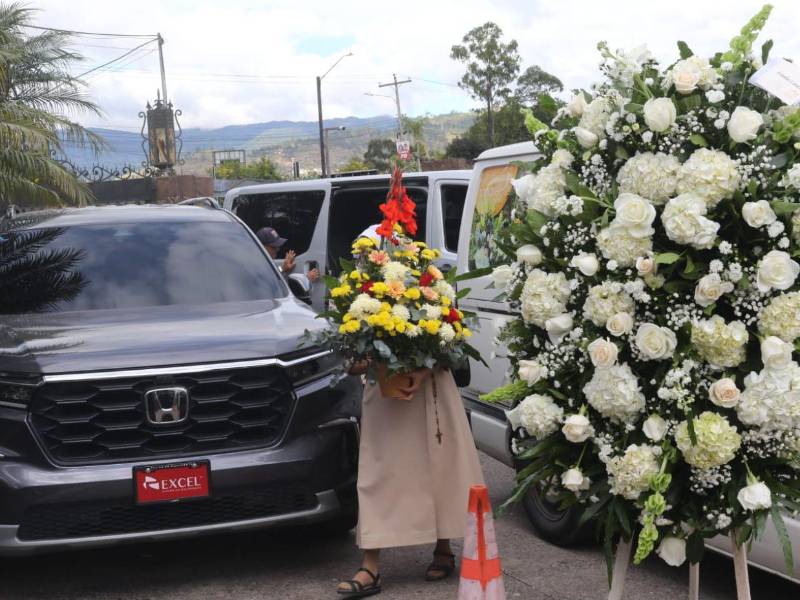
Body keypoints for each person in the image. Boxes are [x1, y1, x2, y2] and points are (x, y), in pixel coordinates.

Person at [336, 365, 485, 598]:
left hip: (433, 384)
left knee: (440, 461)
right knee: (378, 469)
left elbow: (453, 337)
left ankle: (443, 547)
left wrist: (425, 371)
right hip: (383, 385)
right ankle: (370, 564)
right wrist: (360, 356)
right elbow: (351, 351)